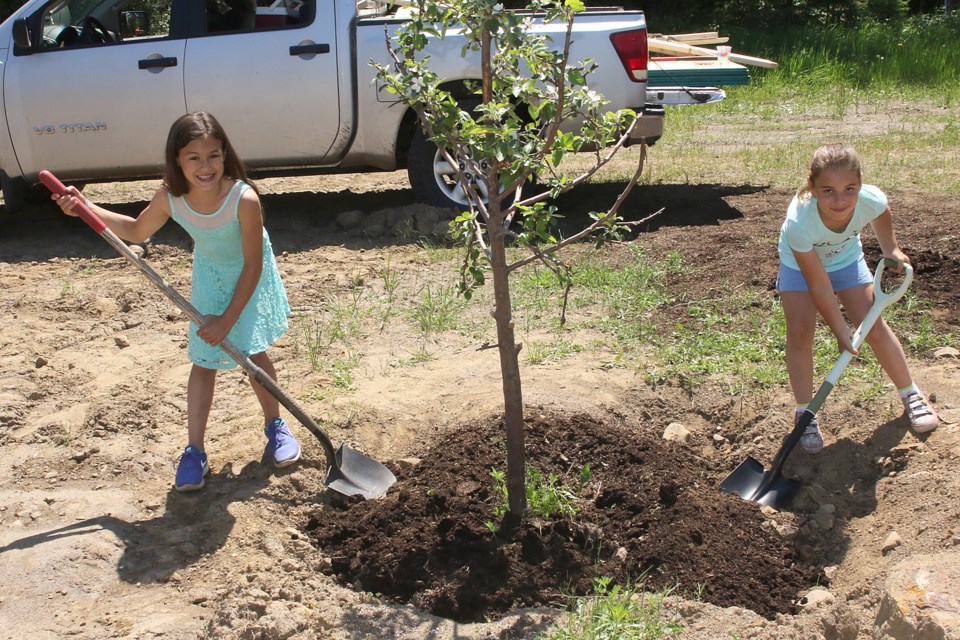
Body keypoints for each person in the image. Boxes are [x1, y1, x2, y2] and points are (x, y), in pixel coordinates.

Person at [53, 111, 301, 490]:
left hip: (249, 275)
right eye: (194, 158)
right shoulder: (171, 197)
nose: (206, 166)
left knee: (252, 350)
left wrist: (228, 319)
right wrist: (85, 207)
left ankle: (276, 426)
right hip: (209, 274)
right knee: (203, 360)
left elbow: (252, 266)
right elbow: (136, 230)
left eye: (214, 155)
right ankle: (195, 451)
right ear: (177, 160)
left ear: (225, 154)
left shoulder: (243, 199)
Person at [777, 142, 939, 454]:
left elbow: (881, 213)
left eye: (849, 188)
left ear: (860, 183)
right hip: (800, 266)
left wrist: (890, 248)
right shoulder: (800, 222)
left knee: (874, 326)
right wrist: (841, 331)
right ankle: (804, 411)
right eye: (828, 191)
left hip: (846, 262)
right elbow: (820, 286)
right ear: (811, 187)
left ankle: (910, 394)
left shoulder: (870, 198)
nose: (840, 200)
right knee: (800, 332)